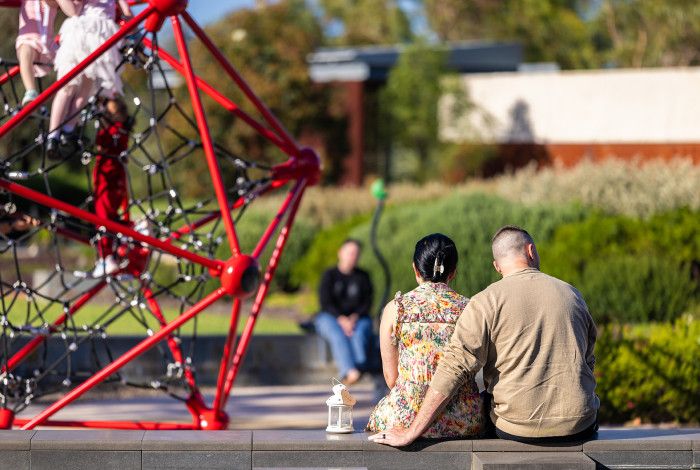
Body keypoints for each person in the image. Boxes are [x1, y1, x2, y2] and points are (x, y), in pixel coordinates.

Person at [370, 225, 599, 446]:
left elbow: (454, 366)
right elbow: (588, 359)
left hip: (515, 427)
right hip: (579, 424)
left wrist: (411, 432)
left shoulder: (487, 301)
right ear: (531, 251)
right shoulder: (572, 294)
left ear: (497, 266)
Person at [366, 233, 482, 438]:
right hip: (463, 419)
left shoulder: (396, 309)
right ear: (453, 272)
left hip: (405, 416)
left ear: (415, 269)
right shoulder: (470, 309)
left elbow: (391, 379)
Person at [47, 0, 132, 160]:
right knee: (75, 87)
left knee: (79, 88)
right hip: (93, 33)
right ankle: (62, 131)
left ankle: (61, 132)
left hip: (90, 32)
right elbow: (127, 14)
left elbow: (127, 14)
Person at [315, 239, 373, 385]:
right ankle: (349, 371)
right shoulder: (329, 275)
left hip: (358, 318)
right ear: (340, 253)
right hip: (331, 317)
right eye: (350, 253)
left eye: (356, 254)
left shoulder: (363, 277)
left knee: (359, 333)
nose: (352, 257)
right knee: (336, 333)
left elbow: (367, 302)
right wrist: (341, 319)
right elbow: (325, 302)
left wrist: (354, 318)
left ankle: (359, 366)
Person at [91, 96, 130, 277]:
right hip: (114, 181)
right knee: (110, 220)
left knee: (104, 220)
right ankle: (113, 257)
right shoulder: (121, 131)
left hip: (108, 182)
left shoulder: (115, 131)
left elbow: (102, 142)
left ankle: (107, 258)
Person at [15, 0, 58, 106]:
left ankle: (75, 93)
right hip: (28, 39)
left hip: (48, 45)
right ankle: (31, 91)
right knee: (26, 52)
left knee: (70, 56)